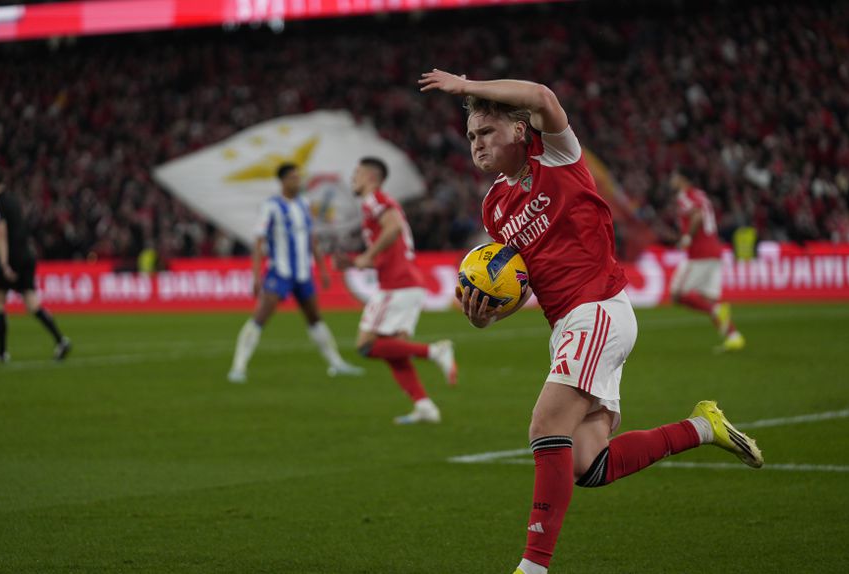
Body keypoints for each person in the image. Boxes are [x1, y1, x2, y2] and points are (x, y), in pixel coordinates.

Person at [419, 70, 762, 574]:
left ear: (519, 131)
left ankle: (532, 568)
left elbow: (542, 96)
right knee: (588, 465)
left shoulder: (555, 156)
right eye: (471, 136)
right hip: (567, 324)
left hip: (598, 308)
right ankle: (702, 427)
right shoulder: (494, 207)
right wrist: (487, 315)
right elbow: (520, 283)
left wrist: (467, 85)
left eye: (486, 131)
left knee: (544, 424)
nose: (477, 143)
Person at [336, 157, 457, 424]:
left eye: (356, 174)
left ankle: (434, 351)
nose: (352, 179)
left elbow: (392, 228)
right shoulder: (379, 202)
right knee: (394, 350)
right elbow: (389, 242)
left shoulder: (375, 199)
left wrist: (367, 255)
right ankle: (424, 406)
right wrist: (359, 260)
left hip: (397, 284)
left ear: (370, 177)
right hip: (404, 282)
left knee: (366, 345)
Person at [227, 163, 363, 383]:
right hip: (280, 273)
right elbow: (259, 241)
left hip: (303, 274)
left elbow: (312, 239)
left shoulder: (304, 204)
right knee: (260, 316)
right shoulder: (271, 206)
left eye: (298, 177)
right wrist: (255, 276)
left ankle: (336, 363)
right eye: (292, 178)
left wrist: (322, 269)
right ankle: (238, 367)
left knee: (315, 318)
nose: (297, 181)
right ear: (282, 181)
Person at [0, 167, 71, 363]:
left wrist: (3, 263)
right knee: (32, 303)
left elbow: (1, 233)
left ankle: (1, 352)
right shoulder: (13, 200)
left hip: (11, 257)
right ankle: (61, 340)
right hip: (27, 255)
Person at [669, 168, 744, 351]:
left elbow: (697, 215)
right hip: (715, 251)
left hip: (699, 254)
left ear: (683, 179)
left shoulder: (684, 196)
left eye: (676, 176)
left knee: (677, 294)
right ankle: (734, 336)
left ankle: (716, 312)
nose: (672, 180)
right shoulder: (701, 195)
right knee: (709, 298)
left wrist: (687, 237)